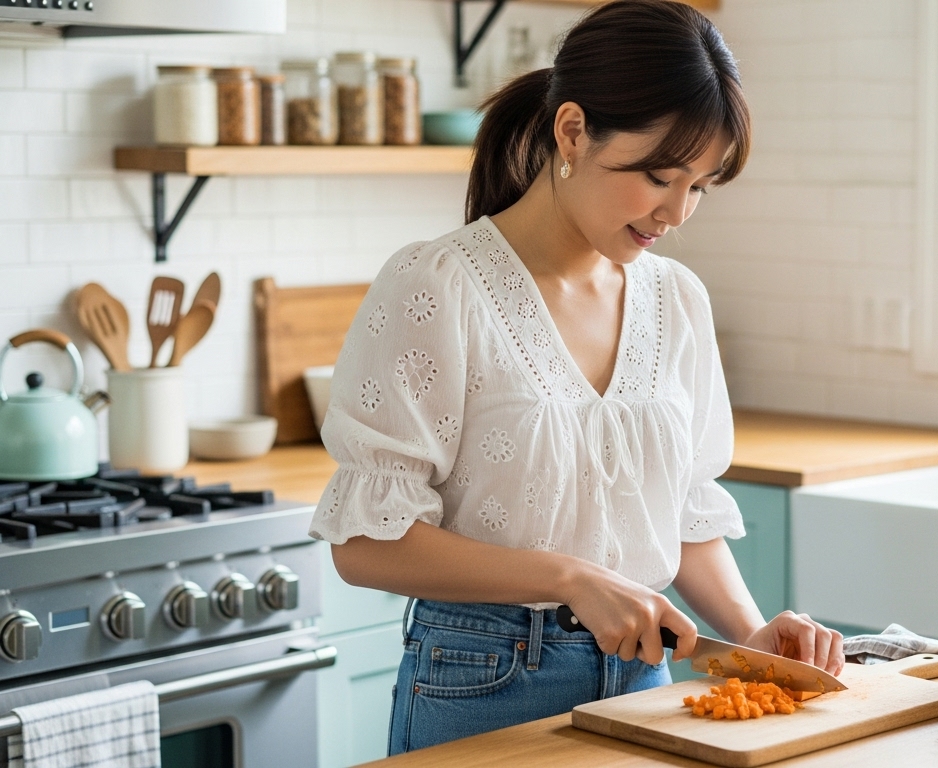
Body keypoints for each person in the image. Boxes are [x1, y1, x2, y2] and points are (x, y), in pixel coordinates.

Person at [308, 0, 845, 755]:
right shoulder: (438, 285)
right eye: (659, 175)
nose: (678, 211)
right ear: (571, 132)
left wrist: (751, 633)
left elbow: (683, 516)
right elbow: (364, 543)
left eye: (700, 184)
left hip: (642, 681)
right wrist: (568, 579)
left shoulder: (676, 299)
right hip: (481, 679)